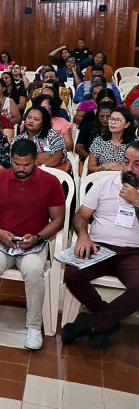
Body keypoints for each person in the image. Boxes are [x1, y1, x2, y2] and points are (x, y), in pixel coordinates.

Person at [0, 139, 65, 350]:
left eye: (26, 164)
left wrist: (38, 237)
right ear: (10, 159)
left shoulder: (50, 182)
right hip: (4, 239)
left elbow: (58, 219)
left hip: (34, 242)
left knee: (34, 272)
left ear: (36, 160)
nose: (21, 169)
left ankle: (33, 326)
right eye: (16, 163)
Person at [62, 142, 139, 349]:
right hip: (100, 247)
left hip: (133, 253)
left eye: (137, 164)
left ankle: (92, 324)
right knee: (72, 274)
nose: (129, 169)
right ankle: (107, 322)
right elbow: (81, 215)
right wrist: (83, 235)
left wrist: (137, 202)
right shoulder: (104, 184)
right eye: (126, 162)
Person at [15, 107, 69, 172]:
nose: (31, 121)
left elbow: (59, 154)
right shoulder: (18, 140)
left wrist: (42, 167)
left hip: (51, 171)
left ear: (43, 123)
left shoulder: (51, 134)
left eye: (36, 119)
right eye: (29, 117)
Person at [87, 107, 135, 173]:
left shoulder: (133, 144)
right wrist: (107, 167)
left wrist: (120, 167)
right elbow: (91, 167)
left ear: (126, 124)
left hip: (126, 177)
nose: (112, 122)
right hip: (103, 177)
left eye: (117, 120)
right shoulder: (99, 141)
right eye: (111, 118)